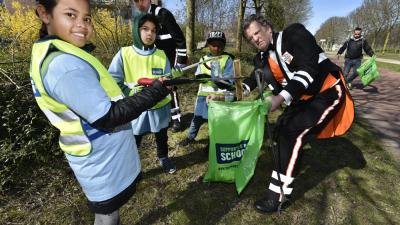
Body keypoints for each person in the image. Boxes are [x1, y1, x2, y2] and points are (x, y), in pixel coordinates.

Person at [30, 0, 170, 224]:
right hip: (99, 160)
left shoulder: (65, 54)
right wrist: (154, 92)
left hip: (102, 156)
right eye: (70, 15)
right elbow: (109, 116)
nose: (82, 25)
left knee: (109, 215)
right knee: (107, 217)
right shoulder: (64, 65)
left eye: (86, 18)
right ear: (44, 14)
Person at [214, 14, 354, 213]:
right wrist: (226, 96)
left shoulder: (294, 34)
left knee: (292, 132)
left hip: (328, 90)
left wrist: (279, 98)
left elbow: (308, 69)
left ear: (268, 28)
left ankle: (278, 196)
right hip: (302, 97)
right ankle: (283, 176)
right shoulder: (261, 58)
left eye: (257, 33)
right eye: (251, 38)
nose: (256, 39)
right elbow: (253, 81)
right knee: (280, 130)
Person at [108, 14, 177, 174]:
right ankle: (132, 169)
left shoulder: (161, 54)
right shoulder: (124, 54)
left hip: (159, 108)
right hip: (135, 110)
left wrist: (171, 83)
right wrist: (129, 92)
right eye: (145, 29)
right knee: (134, 140)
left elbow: (168, 79)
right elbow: (111, 82)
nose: (149, 34)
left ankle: (163, 157)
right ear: (136, 31)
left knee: (161, 136)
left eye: (153, 30)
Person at [132, 0, 187, 132]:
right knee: (156, 85)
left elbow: (180, 39)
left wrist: (180, 61)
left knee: (171, 86)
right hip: (154, 58)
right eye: (135, 1)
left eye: (142, 0)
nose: (139, 4)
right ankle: (161, 118)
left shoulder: (163, 14)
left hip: (170, 57)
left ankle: (177, 119)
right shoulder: (138, 18)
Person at [179, 31, 234, 147]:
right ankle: (190, 137)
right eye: (213, 45)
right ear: (208, 45)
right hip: (203, 96)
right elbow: (198, 75)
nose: (217, 48)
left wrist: (221, 81)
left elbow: (230, 79)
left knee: (215, 121)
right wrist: (201, 78)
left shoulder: (227, 59)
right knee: (197, 118)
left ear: (224, 46)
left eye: (220, 45)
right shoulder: (203, 59)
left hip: (219, 97)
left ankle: (212, 142)